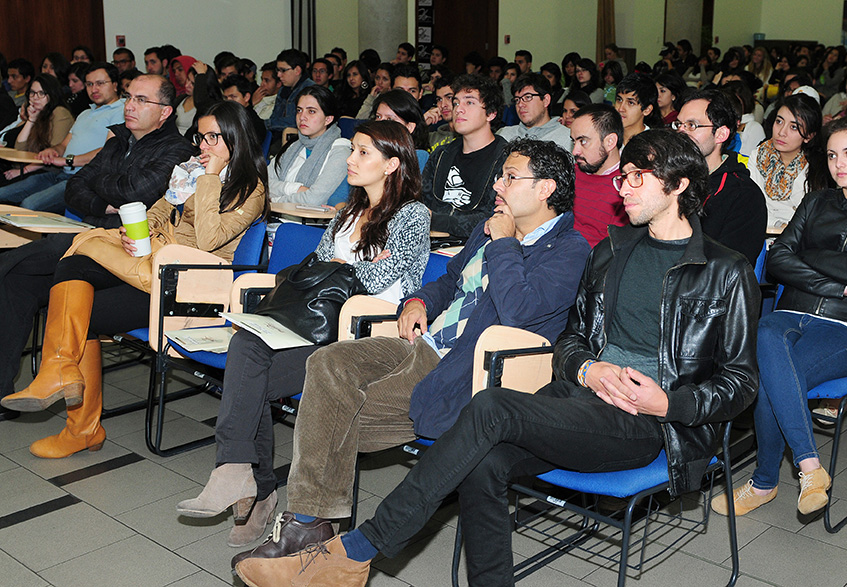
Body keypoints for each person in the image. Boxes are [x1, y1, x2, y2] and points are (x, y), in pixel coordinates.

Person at [232, 129, 759, 587]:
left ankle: (355, 552)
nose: (622, 189)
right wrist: (586, 367)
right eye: (623, 178)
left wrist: (668, 403)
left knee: (490, 408)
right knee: (481, 462)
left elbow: (741, 381)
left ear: (679, 186)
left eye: (637, 178)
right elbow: (571, 339)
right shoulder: (613, 252)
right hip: (577, 398)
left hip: (649, 421)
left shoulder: (725, 271)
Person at [230, 138, 591, 577]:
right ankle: (311, 526)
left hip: (465, 368)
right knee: (327, 362)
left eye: (510, 177)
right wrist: (419, 301)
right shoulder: (491, 227)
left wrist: (504, 244)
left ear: (545, 189)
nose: (498, 184)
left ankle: (305, 527)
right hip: (424, 344)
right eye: (500, 175)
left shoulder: (570, 250)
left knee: (329, 415)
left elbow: (519, 310)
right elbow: (450, 282)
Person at [177, 120, 430, 547]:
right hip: (318, 323)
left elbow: (380, 280)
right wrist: (352, 267)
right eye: (353, 150)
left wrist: (346, 267)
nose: (351, 159)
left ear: (392, 164)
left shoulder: (413, 215)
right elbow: (320, 267)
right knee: (246, 344)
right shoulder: (347, 212)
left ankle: (256, 491)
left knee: (247, 382)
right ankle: (235, 472)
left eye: (363, 152)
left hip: (363, 336)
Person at [0, 99, 266, 456]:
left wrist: (209, 179)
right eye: (200, 137)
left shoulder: (250, 188)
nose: (203, 146)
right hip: (155, 263)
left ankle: (82, 428)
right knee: (75, 261)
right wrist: (137, 231)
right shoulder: (192, 170)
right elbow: (159, 211)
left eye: (212, 138)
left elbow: (207, 240)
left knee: (86, 313)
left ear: (236, 138)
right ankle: (59, 369)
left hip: (190, 286)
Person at [714, 116, 847, 519]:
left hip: (843, 328)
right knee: (766, 331)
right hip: (789, 314)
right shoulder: (815, 201)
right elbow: (776, 261)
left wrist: (807, 256)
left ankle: (764, 483)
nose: (839, 164)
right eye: (833, 155)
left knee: (772, 376)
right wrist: (839, 282)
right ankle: (810, 468)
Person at [0, 62, 126, 212]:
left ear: (115, 85)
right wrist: (53, 151)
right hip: (61, 172)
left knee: (29, 205)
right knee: (2, 194)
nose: (94, 89)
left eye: (100, 83)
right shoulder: (85, 113)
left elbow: (107, 152)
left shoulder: (122, 111)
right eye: (89, 84)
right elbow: (64, 145)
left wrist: (68, 160)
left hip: (84, 179)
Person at [674, 89, 766, 265]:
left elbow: (728, 268)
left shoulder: (743, 196)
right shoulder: (667, 179)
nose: (681, 132)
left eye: (692, 125)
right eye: (678, 124)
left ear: (721, 134)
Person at [421, 74, 508, 239]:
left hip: (476, 244)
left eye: (469, 102)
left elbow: (493, 217)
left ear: (491, 113)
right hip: (431, 241)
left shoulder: (505, 159)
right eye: (456, 103)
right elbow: (421, 202)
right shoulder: (441, 155)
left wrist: (437, 220)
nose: (458, 109)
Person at [749, 94, 822, 231]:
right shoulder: (759, 155)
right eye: (779, 121)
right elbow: (751, 203)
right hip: (758, 231)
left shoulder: (816, 168)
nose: (782, 132)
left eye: (794, 127)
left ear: (809, 136)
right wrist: (778, 223)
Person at [268, 85, 349, 207]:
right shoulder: (293, 146)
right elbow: (263, 183)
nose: (302, 117)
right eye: (299, 110)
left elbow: (314, 200)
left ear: (328, 119)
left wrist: (273, 201)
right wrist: (295, 188)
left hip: (308, 219)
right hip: (278, 215)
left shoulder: (340, 151)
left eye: (311, 111)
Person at [568, 104, 628, 247]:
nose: (575, 151)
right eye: (574, 141)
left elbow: (613, 249)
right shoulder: (570, 173)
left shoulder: (627, 186)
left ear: (610, 142)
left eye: (583, 141)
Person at [0, 74, 73, 187]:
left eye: (41, 93)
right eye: (32, 93)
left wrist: (24, 171)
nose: (35, 97)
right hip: (29, 169)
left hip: (48, 171)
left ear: (52, 95)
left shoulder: (60, 113)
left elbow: (53, 154)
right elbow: (20, 149)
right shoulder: (39, 113)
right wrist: (31, 120)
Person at [497, 73, 568, 148]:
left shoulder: (567, 138)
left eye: (528, 97)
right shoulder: (503, 135)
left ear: (545, 100)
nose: (520, 104)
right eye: (517, 100)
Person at [266, 49, 315, 155]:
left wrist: (268, 123)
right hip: (279, 136)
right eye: (278, 70)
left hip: (300, 139)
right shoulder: (283, 90)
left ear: (297, 70)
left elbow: (295, 121)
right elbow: (275, 117)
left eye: (283, 70)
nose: (279, 75)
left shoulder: (310, 90)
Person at [614, 73, 660, 144]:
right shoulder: (607, 137)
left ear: (647, 110)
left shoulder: (653, 144)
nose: (620, 109)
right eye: (619, 100)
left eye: (631, 103)